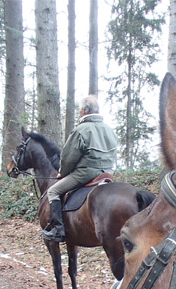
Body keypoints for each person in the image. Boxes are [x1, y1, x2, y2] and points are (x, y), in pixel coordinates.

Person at [41, 95, 118, 242]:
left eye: (80, 110)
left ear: (84, 110)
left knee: (53, 191)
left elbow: (69, 158)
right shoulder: (109, 130)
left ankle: (58, 229)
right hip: (107, 173)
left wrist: (62, 173)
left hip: (86, 173)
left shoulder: (81, 130)